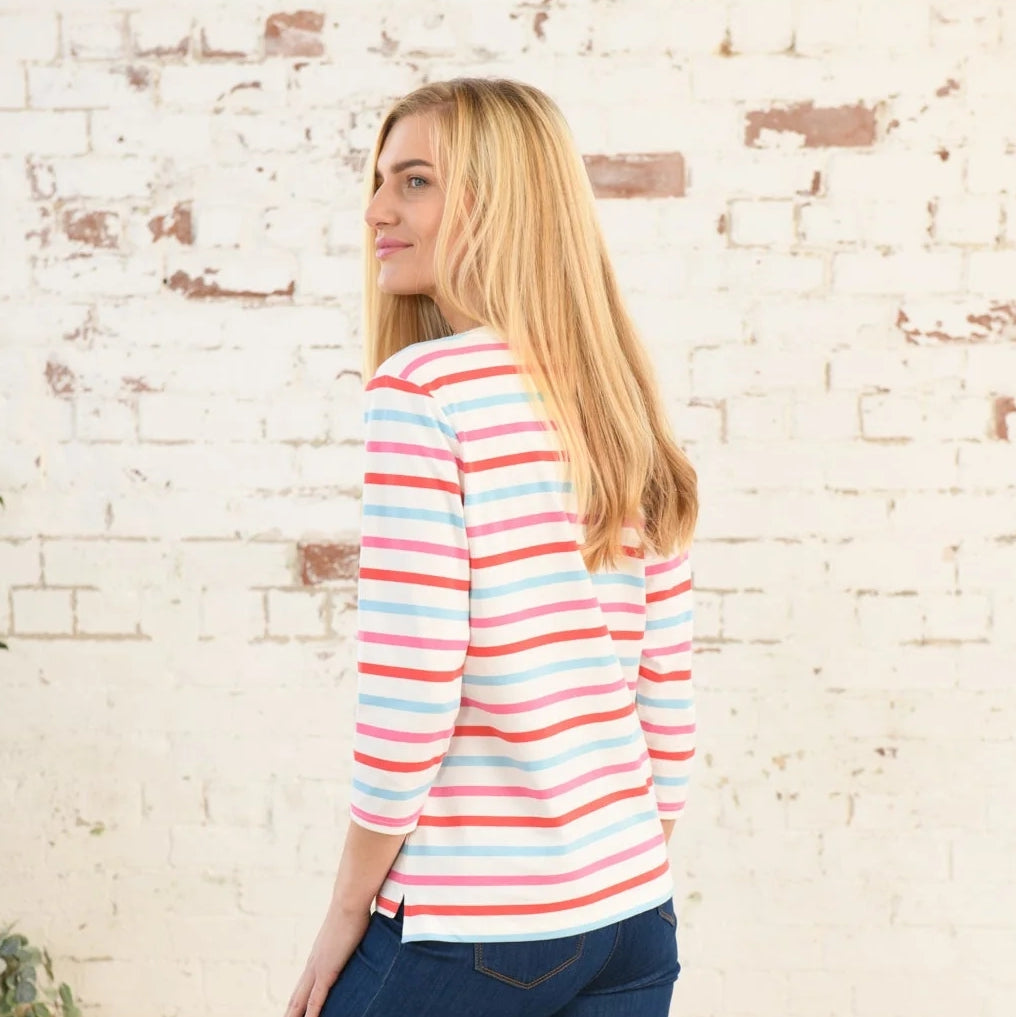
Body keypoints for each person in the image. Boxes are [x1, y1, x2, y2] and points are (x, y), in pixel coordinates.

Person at [285, 78, 698, 1017]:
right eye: (383, 180)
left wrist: (346, 909)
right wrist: (605, 880)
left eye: (416, 181)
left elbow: (413, 691)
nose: (378, 208)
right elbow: (664, 699)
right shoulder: (616, 398)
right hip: (631, 913)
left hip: (472, 928)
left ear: (497, 204)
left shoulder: (423, 393)